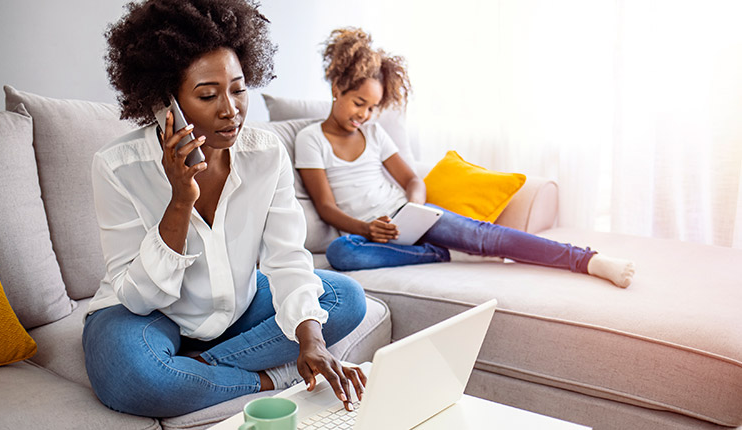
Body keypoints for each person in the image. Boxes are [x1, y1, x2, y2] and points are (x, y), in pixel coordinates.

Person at [83, 0, 366, 418]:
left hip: (235, 307)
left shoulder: (266, 154)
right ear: (167, 103)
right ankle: (269, 378)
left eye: (238, 89)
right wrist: (181, 200)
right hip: (142, 313)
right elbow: (139, 298)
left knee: (346, 298)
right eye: (207, 95)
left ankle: (199, 370)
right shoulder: (116, 167)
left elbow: (286, 259)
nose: (230, 110)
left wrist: (312, 341)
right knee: (133, 377)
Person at [295, 27, 635, 289]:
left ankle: (585, 259)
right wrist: (367, 228)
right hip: (367, 234)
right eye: (358, 103)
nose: (365, 115)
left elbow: (412, 180)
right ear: (337, 87)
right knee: (341, 253)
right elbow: (326, 207)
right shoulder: (311, 139)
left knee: (486, 236)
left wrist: (416, 207)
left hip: (407, 217)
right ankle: (436, 253)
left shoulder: (374, 134)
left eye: (372, 108)